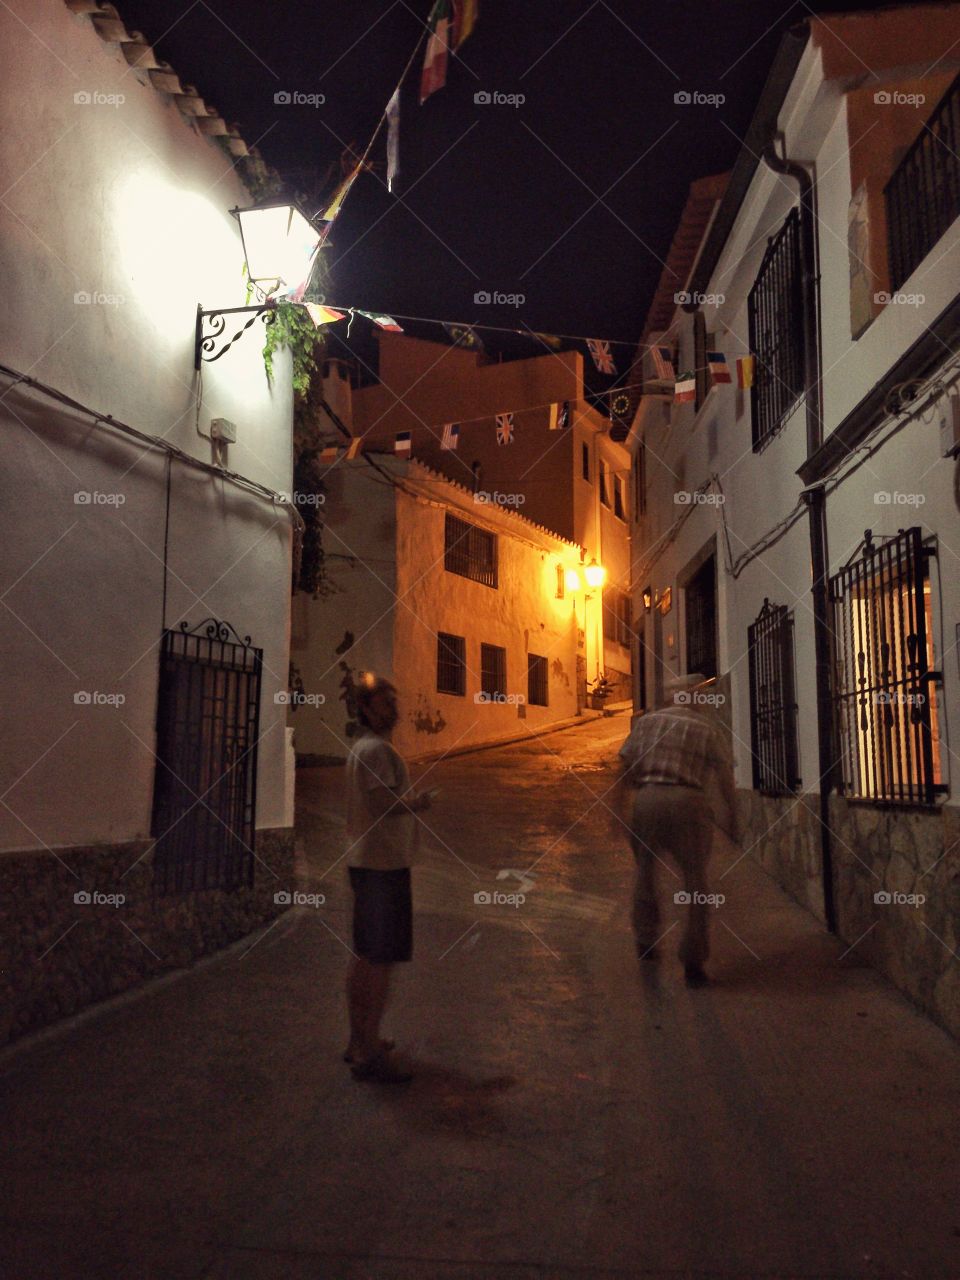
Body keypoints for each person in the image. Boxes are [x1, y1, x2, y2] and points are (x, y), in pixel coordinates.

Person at [617, 673, 737, 987]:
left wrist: (618, 812)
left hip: (649, 799)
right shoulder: (706, 729)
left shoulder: (647, 723)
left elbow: (625, 768)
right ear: (696, 698)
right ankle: (693, 963)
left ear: (670, 697)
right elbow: (725, 778)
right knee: (696, 882)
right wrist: (733, 816)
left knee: (645, 873)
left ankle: (646, 941)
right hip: (689, 803)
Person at [344, 674, 432, 1082]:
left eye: (392, 703)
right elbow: (383, 802)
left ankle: (360, 1039)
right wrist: (418, 803)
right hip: (382, 867)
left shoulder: (361, 749)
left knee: (366, 956)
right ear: (364, 709)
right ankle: (367, 1046)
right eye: (382, 704)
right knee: (378, 961)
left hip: (368, 862)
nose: (391, 711)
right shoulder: (376, 751)